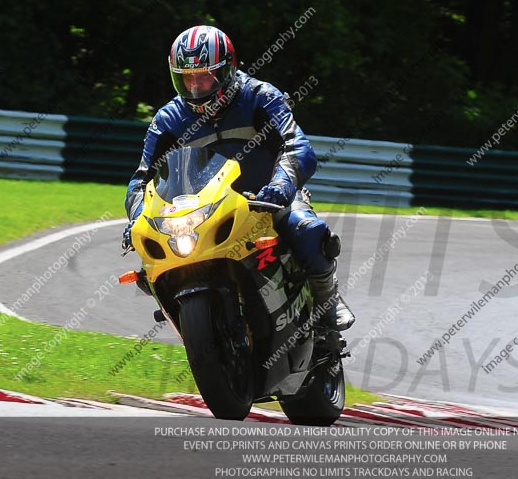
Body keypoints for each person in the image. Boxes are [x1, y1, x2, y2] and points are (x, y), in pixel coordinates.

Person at [122, 25, 355, 331]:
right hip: (201, 210)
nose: (195, 87)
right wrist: (138, 216)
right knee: (151, 262)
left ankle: (328, 301)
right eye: (186, 78)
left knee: (307, 229)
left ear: (228, 70)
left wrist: (281, 186)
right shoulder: (168, 119)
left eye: (204, 76)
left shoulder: (260, 96)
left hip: (266, 197)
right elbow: (141, 179)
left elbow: (297, 145)